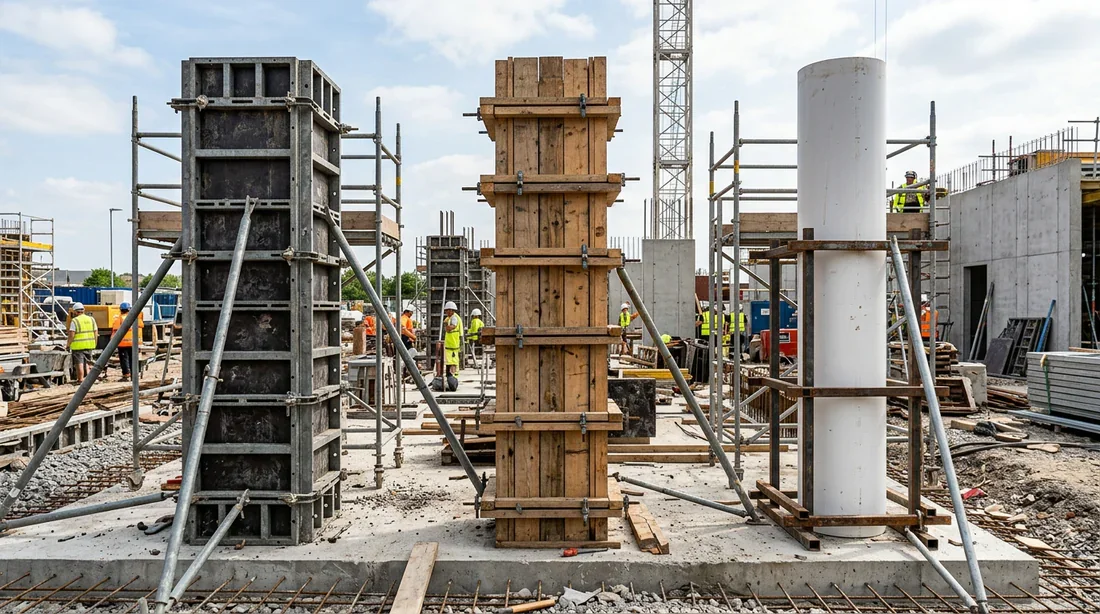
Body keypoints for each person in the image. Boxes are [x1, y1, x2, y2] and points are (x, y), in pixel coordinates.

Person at [110, 302, 143, 381]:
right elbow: (141, 325)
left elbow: (115, 330)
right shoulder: (135, 318)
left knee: (124, 359)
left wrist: (112, 342)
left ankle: (126, 374)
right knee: (133, 358)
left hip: (123, 343)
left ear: (121, 310)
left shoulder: (119, 318)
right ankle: (134, 374)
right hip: (134, 342)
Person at [67, 302, 98, 382]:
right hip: (90, 344)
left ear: (75, 312)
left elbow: (71, 335)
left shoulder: (75, 321)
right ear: (83, 310)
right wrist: (95, 343)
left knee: (79, 363)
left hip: (78, 346)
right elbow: (95, 332)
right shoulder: (91, 319)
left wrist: (68, 344)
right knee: (88, 362)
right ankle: (89, 379)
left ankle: (80, 379)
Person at [443, 301, 464, 376]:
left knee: (453, 360)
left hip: (453, 343)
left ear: (451, 310)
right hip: (451, 343)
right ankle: (451, 375)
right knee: (450, 360)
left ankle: (453, 375)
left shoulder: (454, 318)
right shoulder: (451, 317)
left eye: (447, 310)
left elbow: (451, 327)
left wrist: (447, 327)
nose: (446, 312)